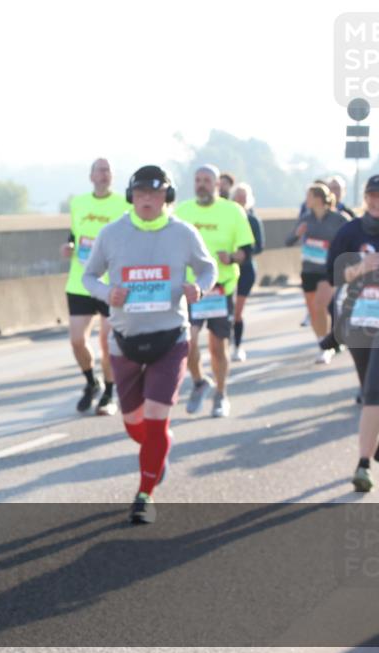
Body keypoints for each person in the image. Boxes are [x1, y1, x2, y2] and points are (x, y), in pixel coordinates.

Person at [83, 165, 217, 524]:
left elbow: (209, 268)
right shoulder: (112, 234)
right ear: (131, 196)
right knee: (134, 425)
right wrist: (105, 292)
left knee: (156, 420)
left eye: (155, 194)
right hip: (124, 339)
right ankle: (159, 451)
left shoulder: (183, 233)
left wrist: (199, 288)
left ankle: (144, 495)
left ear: (167, 198)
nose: (147, 200)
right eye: (141, 193)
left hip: (171, 337)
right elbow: (88, 275)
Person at [326, 174, 379, 492]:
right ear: (365, 197)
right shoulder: (350, 231)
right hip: (359, 319)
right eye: (372, 195)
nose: (377, 201)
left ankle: (363, 465)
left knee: (373, 390)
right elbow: (334, 274)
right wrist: (362, 267)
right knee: (367, 388)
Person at [175, 165, 255, 418]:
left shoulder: (233, 211)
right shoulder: (182, 211)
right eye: (198, 180)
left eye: (207, 180)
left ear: (217, 184)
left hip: (221, 289)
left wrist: (231, 257)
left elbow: (246, 252)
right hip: (190, 290)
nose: (202, 184)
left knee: (218, 347)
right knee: (186, 344)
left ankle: (221, 395)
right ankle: (200, 381)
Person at [60, 158, 129, 415]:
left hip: (111, 283)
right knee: (77, 340)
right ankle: (92, 383)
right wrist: (69, 246)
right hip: (80, 281)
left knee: (107, 342)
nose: (104, 174)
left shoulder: (124, 204)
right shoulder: (78, 203)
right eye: (100, 170)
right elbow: (75, 234)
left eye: (108, 169)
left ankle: (110, 394)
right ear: (91, 176)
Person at [284, 182, 347, 364]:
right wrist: (298, 233)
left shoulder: (338, 219)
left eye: (309, 196)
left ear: (318, 199)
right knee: (313, 310)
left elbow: (352, 237)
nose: (306, 199)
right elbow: (288, 241)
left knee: (320, 305)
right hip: (309, 269)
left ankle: (326, 347)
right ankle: (322, 342)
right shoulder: (305, 218)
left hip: (328, 270)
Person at [231, 183, 265, 361]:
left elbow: (260, 246)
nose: (241, 199)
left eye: (244, 196)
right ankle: (225, 341)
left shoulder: (253, 220)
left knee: (237, 311)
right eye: (238, 195)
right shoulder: (226, 217)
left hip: (246, 270)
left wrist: (244, 254)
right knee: (225, 311)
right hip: (227, 269)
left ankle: (237, 346)